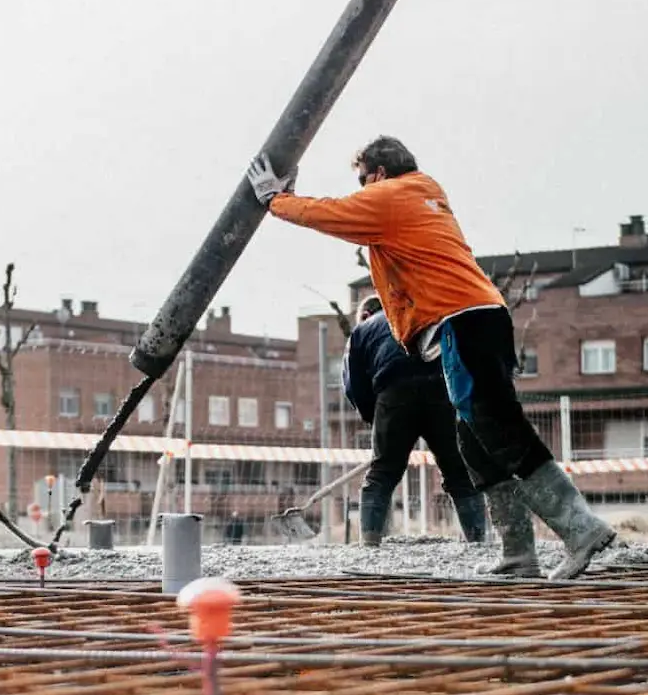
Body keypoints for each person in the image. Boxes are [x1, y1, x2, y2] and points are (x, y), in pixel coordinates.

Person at [247, 139, 616, 579]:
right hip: (477, 319)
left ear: (379, 174)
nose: (361, 191)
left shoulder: (393, 195)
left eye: (363, 180)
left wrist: (276, 200)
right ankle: (519, 555)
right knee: (473, 441)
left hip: (464, 322)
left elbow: (332, 213)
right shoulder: (422, 195)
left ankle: (582, 530)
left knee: (499, 428)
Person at [343, 294, 485, 546]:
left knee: (382, 472)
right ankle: (477, 540)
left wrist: (375, 419)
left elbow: (355, 385)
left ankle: (369, 542)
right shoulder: (427, 314)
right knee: (458, 470)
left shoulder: (363, 330)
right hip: (441, 389)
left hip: (394, 392)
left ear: (365, 315)